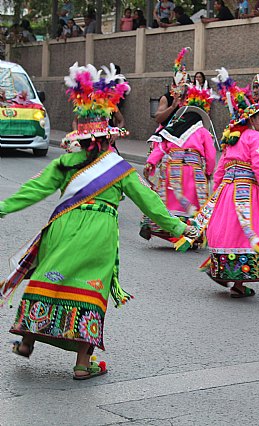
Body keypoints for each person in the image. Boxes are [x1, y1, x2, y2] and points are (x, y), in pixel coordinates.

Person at [1, 63, 194, 380]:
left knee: (51, 279)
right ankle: (81, 364)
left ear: (80, 135)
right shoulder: (119, 169)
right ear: (107, 136)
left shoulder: (65, 162)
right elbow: (151, 204)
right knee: (90, 290)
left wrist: (4, 207)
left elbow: (34, 190)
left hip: (63, 227)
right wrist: (179, 228)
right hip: (98, 233)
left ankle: (26, 340)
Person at [175, 68, 259, 298]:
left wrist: (218, 191)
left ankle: (222, 271)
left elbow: (221, 169)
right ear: (251, 119)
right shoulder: (257, 138)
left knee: (227, 230)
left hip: (227, 192)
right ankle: (240, 284)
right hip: (247, 191)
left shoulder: (233, 139)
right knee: (251, 231)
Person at [141, 48, 217, 244]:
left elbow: (161, 147)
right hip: (193, 171)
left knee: (165, 198)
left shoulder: (173, 129)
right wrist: (208, 171)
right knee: (193, 202)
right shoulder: (201, 131)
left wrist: (150, 163)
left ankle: (160, 227)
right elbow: (210, 156)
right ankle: (192, 232)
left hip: (172, 166)